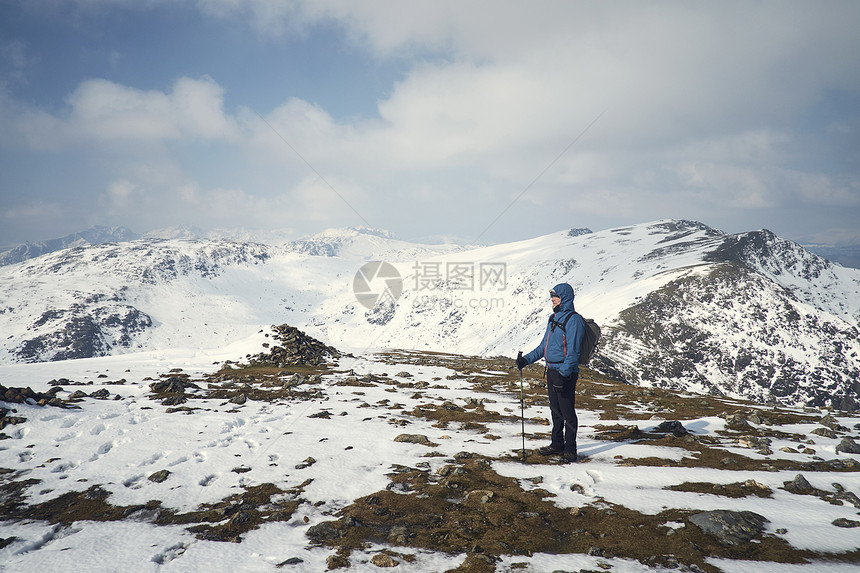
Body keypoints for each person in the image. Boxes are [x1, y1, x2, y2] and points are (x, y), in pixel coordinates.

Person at [516, 282, 585, 463]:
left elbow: (573, 352)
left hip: (565, 373)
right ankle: (557, 444)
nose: (552, 300)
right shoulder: (554, 318)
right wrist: (526, 360)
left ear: (565, 298)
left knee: (567, 411)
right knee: (555, 410)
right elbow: (543, 347)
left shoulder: (574, 320)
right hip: (552, 370)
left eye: (555, 296)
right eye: (551, 296)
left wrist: (563, 374)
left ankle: (570, 449)